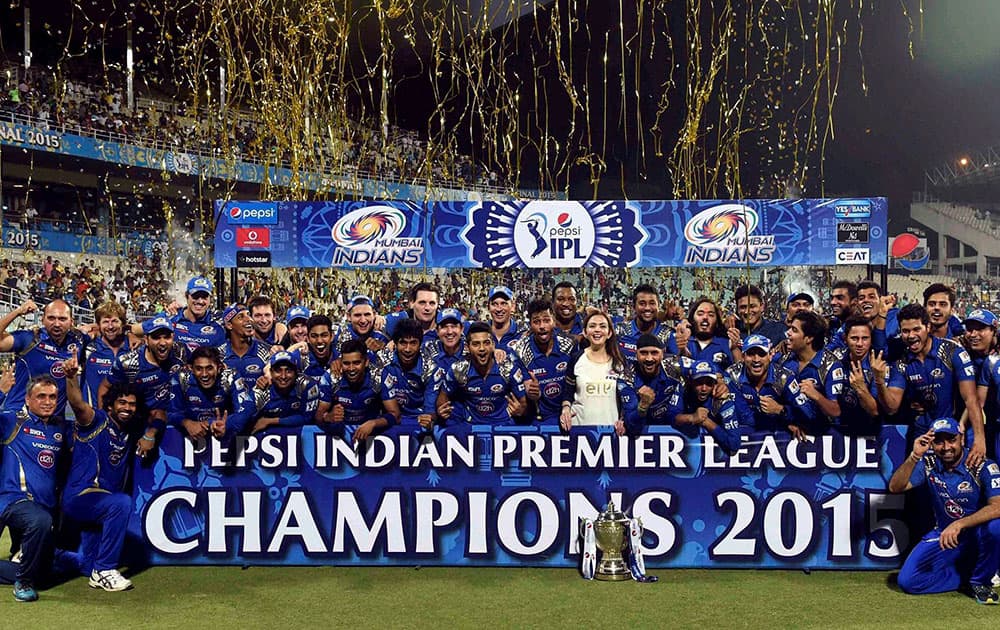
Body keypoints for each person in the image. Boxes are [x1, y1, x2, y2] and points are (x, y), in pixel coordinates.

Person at [888, 417, 1000, 604]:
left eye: (951, 440)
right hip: (945, 535)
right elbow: (895, 487)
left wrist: (960, 524)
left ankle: (980, 581)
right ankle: (967, 576)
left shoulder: (981, 465)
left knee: (997, 527)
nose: (946, 447)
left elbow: (998, 506)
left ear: (961, 439)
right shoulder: (929, 463)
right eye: (939, 441)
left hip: (977, 535)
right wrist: (914, 456)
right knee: (908, 582)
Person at [875, 303, 986, 467]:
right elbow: (892, 406)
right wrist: (879, 381)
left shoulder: (952, 352)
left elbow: (971, 399)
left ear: (927, 327)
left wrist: (979, 439)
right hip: (922, 437)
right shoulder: (901, 362)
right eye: (905, 331)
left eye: (916, 329)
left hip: (952, 434)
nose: (911, 335)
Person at [60, 356, 137, 591]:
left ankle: (48, 553)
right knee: (122, 503)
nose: (127, 408)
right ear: (111, 405)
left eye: (131, 404)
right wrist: (71, 378)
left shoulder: (130, 429)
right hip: (82, 496)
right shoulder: (97, 420)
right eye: (122, 403)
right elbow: (78, 405)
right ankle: (105, 570)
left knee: (85, 564)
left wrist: (151, 434)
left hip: (100, 507)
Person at [0, 377, 71, 601]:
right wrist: (1, 393)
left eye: (52, 397)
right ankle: (23, 582)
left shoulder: (61, 426)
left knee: (45, 574)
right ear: (28, 399)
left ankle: (27, 570)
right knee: (39, 520)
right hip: (14, 499)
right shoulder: (13, 421)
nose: (48, 402)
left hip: (45, 507)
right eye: (41, 396)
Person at [423, 322, 527, 427]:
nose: (482, 348)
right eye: (476, 344)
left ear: (493, 345)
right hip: (470, 425)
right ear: (468, 348)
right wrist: (442, 410)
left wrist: (521, 410)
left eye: (486, 343)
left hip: (503, 425)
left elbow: (524, 405)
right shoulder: (458, 370)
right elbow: (442, 399)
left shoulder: (508, 369)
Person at [0, 298, 88, 417]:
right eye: (51, 318)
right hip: (19, 418)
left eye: (62, 319)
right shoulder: (30, 340)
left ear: (71, 321)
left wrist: (91, 327)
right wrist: (18, 312)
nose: (56, 324)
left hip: (53, 423)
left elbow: (103, 328)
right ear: (43, 319)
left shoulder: (79, 341)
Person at [725, 334, 816, 439]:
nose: (756, 359)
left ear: (770, 355)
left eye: (762, 354)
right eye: (751, 354)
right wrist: (782, 422)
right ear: (743, 356)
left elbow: (808, 413)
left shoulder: (784, 378)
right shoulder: (732, 376)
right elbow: (744, 417)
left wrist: (780, 409)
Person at [561, 311, 639, 434]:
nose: (597, 330)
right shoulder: (576, 359)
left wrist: (623, 419)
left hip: (610, 431)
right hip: (579, 430)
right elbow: (568, 392)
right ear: (585, 332)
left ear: (609, 333)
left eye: (602, 326)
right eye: (592, 326)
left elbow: (627, 397)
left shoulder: (620, 362)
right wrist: (565, 408)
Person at [167, 346, 256, 446]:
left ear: (219, 367)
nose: (204, 374)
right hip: (187, 442)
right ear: (191, 368)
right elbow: (169, 412)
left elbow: (247, 409)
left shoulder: (231, 377)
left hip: (223, 439)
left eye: (209, 368)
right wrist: (186, 423)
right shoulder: (181, 378)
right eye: (199, 369)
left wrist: (223, 425)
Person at [509, 298, 576, 425]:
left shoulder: (569, 345)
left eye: (546, 320)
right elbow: (526, 388)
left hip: (568, 415)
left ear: (554, 321)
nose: (542, 326)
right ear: (530, 324)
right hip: (537, 420)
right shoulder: (520, 351)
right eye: (536, 322)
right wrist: (532, 393)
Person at [320, 339, 399, 442]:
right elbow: (317, 416)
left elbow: (396, 415)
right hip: (340, 436)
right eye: (346, 363)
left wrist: (374, 423)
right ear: (341, 362)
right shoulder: (331, 377)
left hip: (372, 434)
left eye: (356, 363)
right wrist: (328, 417)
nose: (351, 368)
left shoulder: (379, 376)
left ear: (366, 362)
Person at [375, 318, 436, 427]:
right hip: (391, 421)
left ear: (420, 344)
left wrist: (429, 418)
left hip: (420, 422)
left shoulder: (429, 368)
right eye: (403, 343)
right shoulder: (383, 362)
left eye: (413, 343)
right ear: (395, 344)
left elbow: (430, 410)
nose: (407, 349)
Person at [249, 351, 321, 433]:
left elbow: (307, 418)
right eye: (278, 371)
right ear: (271, 372)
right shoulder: (262, 390)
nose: (283, 376)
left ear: (296, 372)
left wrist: (270, 421)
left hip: (302, 437)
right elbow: (247, 419)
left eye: (288, 371)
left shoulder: (306, 385)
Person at [79, 301, 134, 407]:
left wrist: (132, 333)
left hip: (126, 415)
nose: (110, 326)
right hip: (94, 417)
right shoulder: (88, 347)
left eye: (114, 321)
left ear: (123, 324)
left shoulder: (134, 347)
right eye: (105, 322)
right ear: (98, 325)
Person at [669, 297, 741, 369]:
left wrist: (734, 348)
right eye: (700, 314)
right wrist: (682, 350)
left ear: (717, 321)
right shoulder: (679, 340)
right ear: (692, 319)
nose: (705, 317)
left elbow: (740, 371)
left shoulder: (727, 344)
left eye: (711, 315)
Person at [614, 284, 674, 362]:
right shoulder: (619, 331)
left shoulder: (668, 335)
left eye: (652, 303)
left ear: (658, 306)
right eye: (642, 303)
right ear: (633, 306)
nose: (647, 308)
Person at [218, 304, 272, 388]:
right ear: (229, 325)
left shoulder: (266, 351)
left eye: (248, 315)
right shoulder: (219, 355)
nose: (249, 319)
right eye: (241, 317)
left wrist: (267, 380)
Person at [166, 276, 226, 351]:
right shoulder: (170, 320)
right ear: (187, 296)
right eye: (195, 296)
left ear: (210, 299)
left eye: (204, 297)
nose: (200, 301)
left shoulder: (219, 323)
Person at [486, 286, 523, 354]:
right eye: (494, 304)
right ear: (488, 307)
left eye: (504, 303)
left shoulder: (522, 334)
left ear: (513, 306)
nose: (499, 309)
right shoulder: (480, 332)